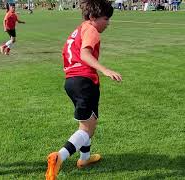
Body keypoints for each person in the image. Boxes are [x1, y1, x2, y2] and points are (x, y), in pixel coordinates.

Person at [45, 0, 122, 179]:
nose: (108, 23)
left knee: (87, 122)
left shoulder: (79, 29)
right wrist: (105, 70)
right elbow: (84, 54)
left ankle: (84, 159)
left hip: (72, 80)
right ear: (93, 17)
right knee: (87, 128)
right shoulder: (92, 30)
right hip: (84, 81)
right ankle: (59, 157)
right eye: (106, 18)